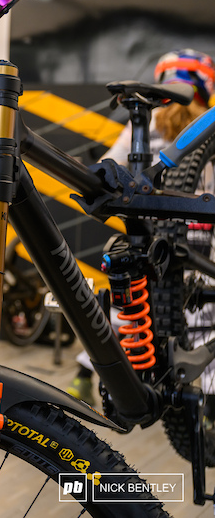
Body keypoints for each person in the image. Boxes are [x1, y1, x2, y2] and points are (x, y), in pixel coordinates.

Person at [67, 49, 215, 406]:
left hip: (151, 234)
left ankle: (84, 377)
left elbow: (110, 168)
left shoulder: (148, 124)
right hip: (201, 234)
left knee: (129, 307)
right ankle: (206, 404)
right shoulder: (207, 129)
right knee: (204, 314)